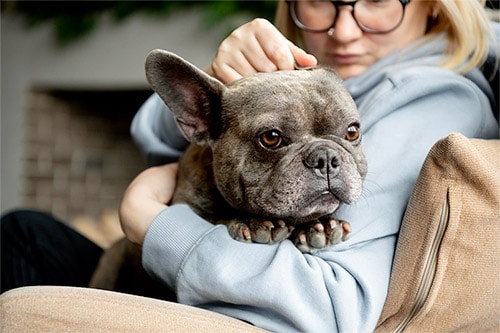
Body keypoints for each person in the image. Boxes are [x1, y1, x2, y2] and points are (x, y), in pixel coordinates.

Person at [1, 0, 498, 332]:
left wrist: (152, 224)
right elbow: (169, 137)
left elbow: (332, 308)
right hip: (173, 266)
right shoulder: (329, 74)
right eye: (319, 1)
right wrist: (221, 81)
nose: (344, 29)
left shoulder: (425, 99)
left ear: (435, 2)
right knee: (25, 230)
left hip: (204, 284)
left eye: (379, 0)